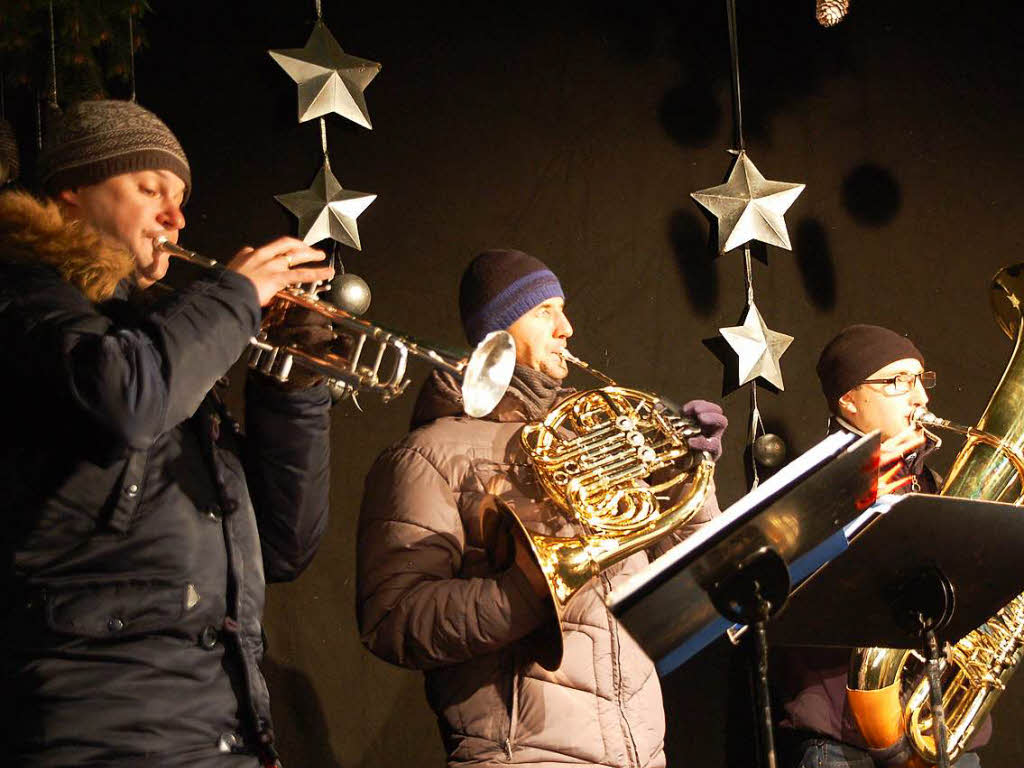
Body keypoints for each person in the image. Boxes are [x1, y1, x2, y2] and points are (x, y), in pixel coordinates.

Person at [0, 99, 336, 767]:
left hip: (215, 730)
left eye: (180, 197)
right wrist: (233, 298)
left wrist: (289, 391)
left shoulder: (160, 343)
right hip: (99, 733)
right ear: (71, 192)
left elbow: (282, 546)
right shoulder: (27, 303)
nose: (176, 217)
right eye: (150, 189)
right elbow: (124, 402)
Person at [357, 249, 727, 768]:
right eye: (544, 311)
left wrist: (692, 477)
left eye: (562, 309)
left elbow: (697, 576)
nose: (566, 328)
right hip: (522, 755)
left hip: (640, 749)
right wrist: (527, 591)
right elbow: (394, 619)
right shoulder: (429, 454)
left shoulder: (600, 432)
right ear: (498, 333)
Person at [774, 324, 987, 768]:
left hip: (940, 732)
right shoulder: (805, 487)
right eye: (897, 381)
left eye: (920, 380)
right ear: (849, 399)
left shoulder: (935, 486)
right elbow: (786, 593)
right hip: (842, 743)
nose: (920, 398)